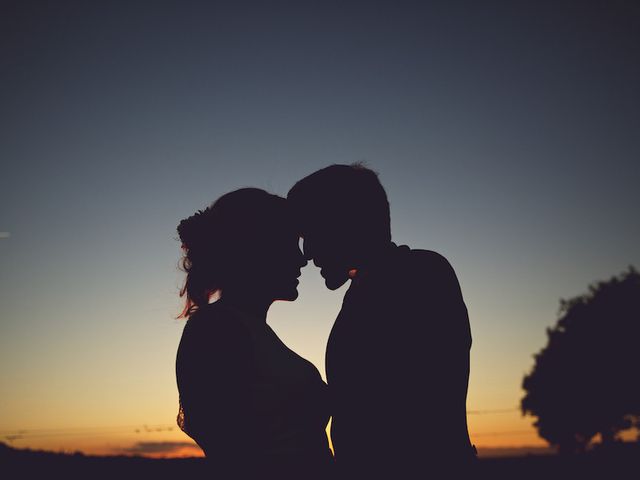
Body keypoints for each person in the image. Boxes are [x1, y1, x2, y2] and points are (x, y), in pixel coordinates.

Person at [288, 164, 477, 477]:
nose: (307, 254)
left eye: (311, 233)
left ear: (344, 223)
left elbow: (407, 417)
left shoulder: (419, 276)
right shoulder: (372, 287)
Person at [175, 188, 333, 479]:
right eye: (290, 245)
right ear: (257, 249)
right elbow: (234, 451)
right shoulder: (217, 331)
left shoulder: (241, 328)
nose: (302, 260)